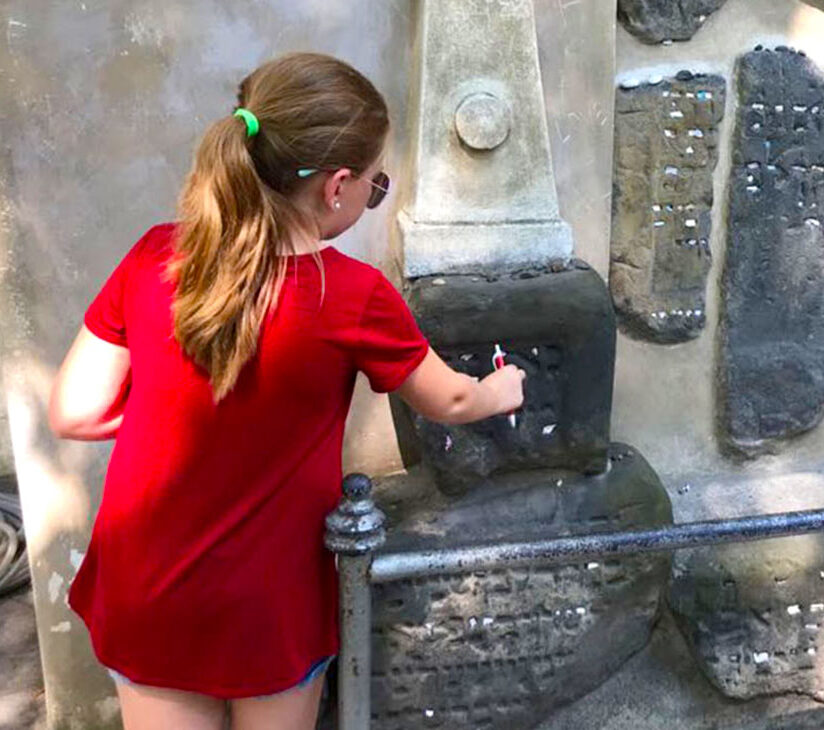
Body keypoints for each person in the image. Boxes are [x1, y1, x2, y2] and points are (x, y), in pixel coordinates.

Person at [46, 52, 526, 730]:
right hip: (268, 604)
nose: (369, 194)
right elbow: (447, 400)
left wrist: (169, 408)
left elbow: (73, 411)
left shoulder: (155, 255)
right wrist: (499, 389)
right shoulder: (352, 296)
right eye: (374, 184)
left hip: (147, 588)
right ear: (337, 188)